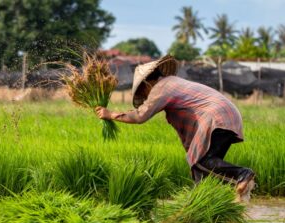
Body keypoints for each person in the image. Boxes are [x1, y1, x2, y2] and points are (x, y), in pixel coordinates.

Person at [96, 55, 255, 202]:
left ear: (147, 83)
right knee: (204, 170)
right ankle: (207, 205)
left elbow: (140, 116)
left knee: (200, 162)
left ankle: (242, 175)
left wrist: (110, 114)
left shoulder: (161, 88)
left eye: (143, 92)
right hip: (227, 115)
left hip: (216, 117)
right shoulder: (173, 83)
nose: (146, 97)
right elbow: (188, 134)